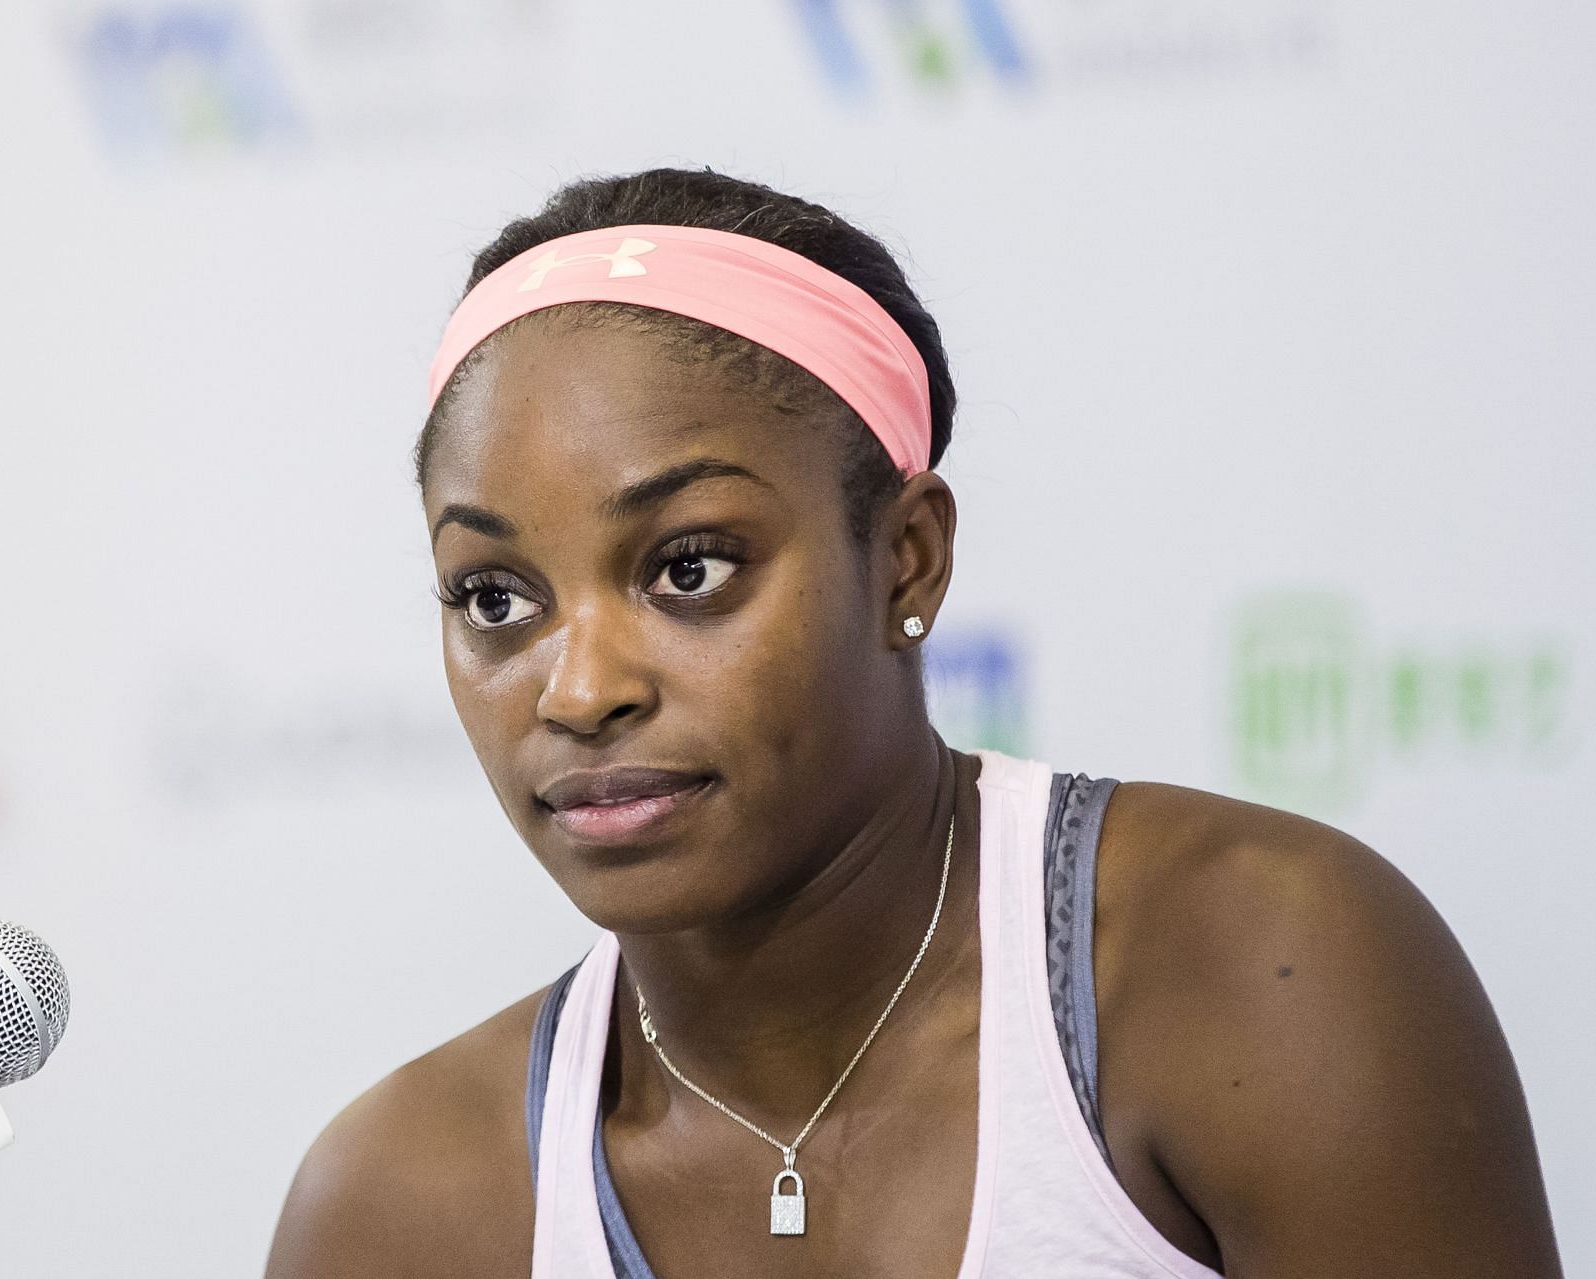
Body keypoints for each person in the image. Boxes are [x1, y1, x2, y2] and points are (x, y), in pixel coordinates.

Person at [263, 167, 1564, 1277]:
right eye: (495, 595)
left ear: (908, 560)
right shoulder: (402, 1207)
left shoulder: (1257, 972)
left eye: (690, 568)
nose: (579, 687)